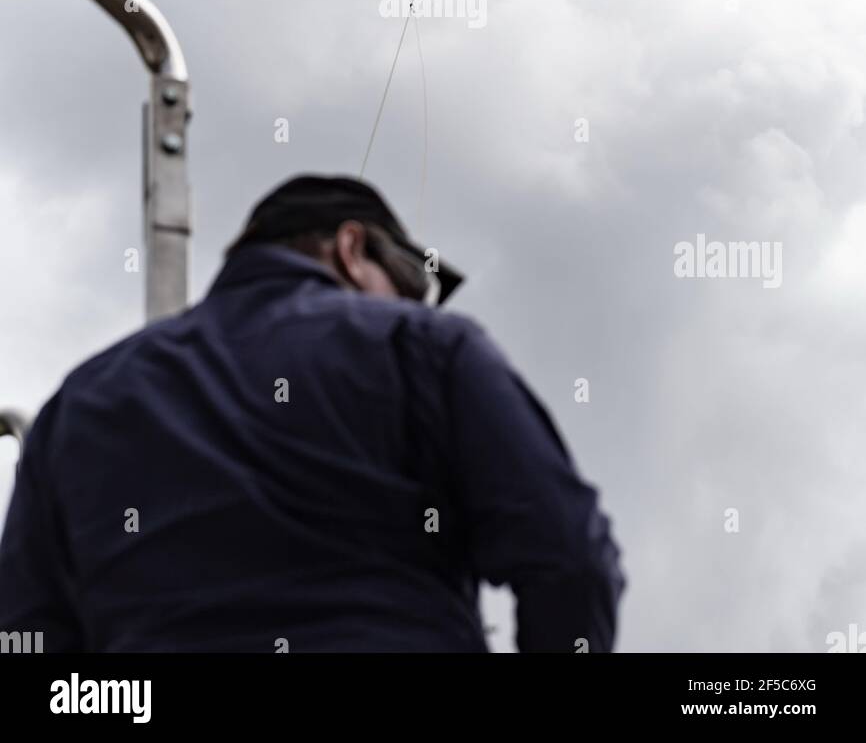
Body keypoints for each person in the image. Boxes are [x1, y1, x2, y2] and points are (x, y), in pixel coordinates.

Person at [0, 174, 624, 653]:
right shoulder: (423, 347)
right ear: (353, 249)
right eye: (409, 282)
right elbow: (570, 558)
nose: (413, 304)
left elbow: (25, 635)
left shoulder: (78, 406)